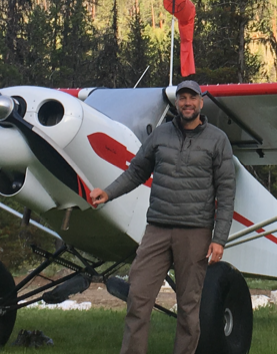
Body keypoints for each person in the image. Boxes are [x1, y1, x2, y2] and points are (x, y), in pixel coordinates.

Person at [90, 80, 236, 354]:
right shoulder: (160, 135)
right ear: (177, 103)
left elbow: (227, 192)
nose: (187, 103)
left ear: (201, 103)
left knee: (189, 308)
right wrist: (108, 193)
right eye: (182, 98)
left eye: (192, 97)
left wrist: (219, 239)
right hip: (157, 229)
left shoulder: (218, 140)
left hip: (195, 233)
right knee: (138, 297)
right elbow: (136, 172)